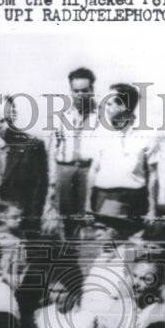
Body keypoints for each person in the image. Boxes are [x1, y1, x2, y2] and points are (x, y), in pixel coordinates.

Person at [0, 96, 50, 238]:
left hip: (19, 222)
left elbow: (39, 190)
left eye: (10, 120)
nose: (7, 126)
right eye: (1, 121)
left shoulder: (33, 146)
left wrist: (31, 225)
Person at [88, 83, 160, 223]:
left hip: (135, 199)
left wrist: (152, 210)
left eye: (109, 104)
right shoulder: (100, 132)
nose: (104, 108)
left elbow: (153, 174)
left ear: (123, 106)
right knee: (105, 241)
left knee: (128, 243)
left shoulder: (147, 134)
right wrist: (87, 206)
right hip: (104, 197)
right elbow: (94, 170)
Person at [47, 66, 99, 239]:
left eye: (84, 90)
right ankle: (68, 255)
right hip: (65, 170)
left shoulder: (101, 116)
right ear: (70, 90)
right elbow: (53, 148)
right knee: (65, 218)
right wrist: (52, 181)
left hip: (88, 170)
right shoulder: (61, 116)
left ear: (92, 90)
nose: (79, 95)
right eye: (75, 91)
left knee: (88, 215)